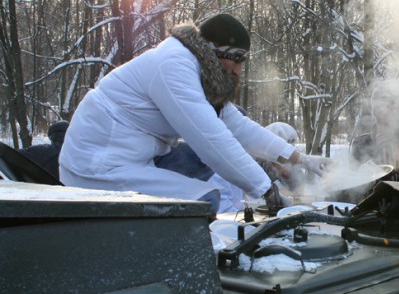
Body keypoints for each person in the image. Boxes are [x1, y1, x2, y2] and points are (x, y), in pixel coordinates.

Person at [59, 13, 327, 214]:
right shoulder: (174, 65)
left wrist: (299, 158)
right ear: (211, 50)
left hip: (135, 159)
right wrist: (267, 191)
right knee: (204, 201)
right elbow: (211, 139)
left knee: (203, 171)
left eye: (243, 61)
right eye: (235, 58)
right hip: (97, 166)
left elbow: (237, 126)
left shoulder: (198, 70)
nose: (237, 71)